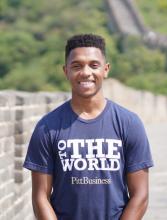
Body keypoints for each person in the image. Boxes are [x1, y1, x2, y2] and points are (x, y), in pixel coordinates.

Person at [23, 33, 153, 220]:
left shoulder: (129, 123)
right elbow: (40, 197)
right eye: (76, 66)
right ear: (65, 71)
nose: (85, 72)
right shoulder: (47, 127)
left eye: (94, 65)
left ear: (106, 69)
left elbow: (140, 195)